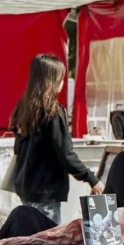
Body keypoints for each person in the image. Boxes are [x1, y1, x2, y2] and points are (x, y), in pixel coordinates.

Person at [9, 54, 101, 218]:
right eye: (61, 78)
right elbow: (65, 154)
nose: (63, 82)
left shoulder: (24, 108)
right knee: (46, 239)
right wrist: (91, 179)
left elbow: (17, 149)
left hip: (26, 187)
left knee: (32, 235)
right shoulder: (53, 111)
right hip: (46, 190)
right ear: (52, 81)